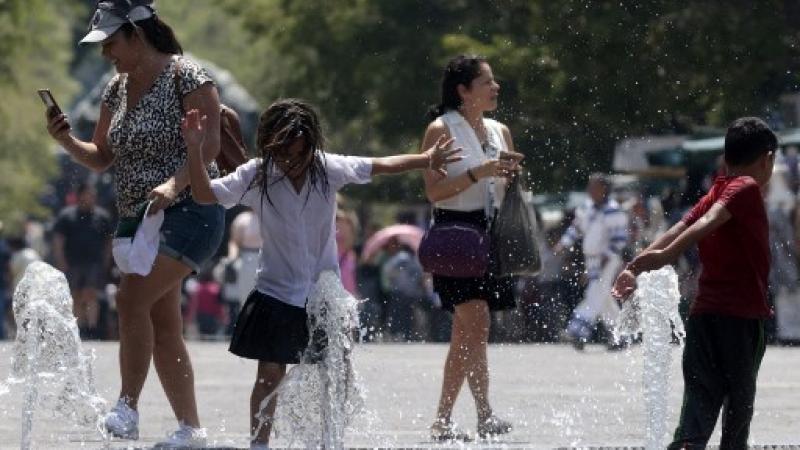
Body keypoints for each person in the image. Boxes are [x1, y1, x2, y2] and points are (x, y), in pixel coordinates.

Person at [180, 98, 461, 448]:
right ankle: (259, 444)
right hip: (275, 293)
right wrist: (194, 150)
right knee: (269, 375)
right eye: (284, 155)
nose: (292, 163)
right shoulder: (257, 174)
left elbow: (382, 165)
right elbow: (206, 194)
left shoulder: (327, 169)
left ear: (312, 147)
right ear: (271, 146)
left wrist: (425, 159)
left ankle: (330, 440)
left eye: (299, 155)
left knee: (334, 374)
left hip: (323, 297)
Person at [45, 1, 225, 446]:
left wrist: (173, 183)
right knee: (162, 323)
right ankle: (191, 429)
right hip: (138, 221)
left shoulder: (188, 76)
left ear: (135, 34)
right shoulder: (116, 89)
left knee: (129, 300)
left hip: (192, 210)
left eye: (110, 43)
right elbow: (102, 157)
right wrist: (66, 140)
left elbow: (210, 145)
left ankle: (127, 408)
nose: (106, 54)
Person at [612, 117, 777, 449]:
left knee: (696, 413)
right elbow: (707, 222)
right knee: (738, 411)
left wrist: (637, 264)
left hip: (705, 319)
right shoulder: (745, 187)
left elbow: (684, 224)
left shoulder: (718, 188)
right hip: (742, 320)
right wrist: (661, 257)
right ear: (767, 159)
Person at [421, 55, 524, 441]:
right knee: (476, 323)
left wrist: (513, 175)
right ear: (463, 91)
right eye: (487, 82)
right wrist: (477, 173)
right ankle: (482, 414)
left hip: (491, 234)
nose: (495, 87)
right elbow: (433, 191)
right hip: (454, 232)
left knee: (467, 333)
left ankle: (444, 420)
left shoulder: (501, 131)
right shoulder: (440, 130)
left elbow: (507, 186)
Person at [557, 174, 629, 350]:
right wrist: (563, 243)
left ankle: (577, 330)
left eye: (593, 187)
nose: (589, 190)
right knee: (603, 297)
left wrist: (605, 258)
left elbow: (619, 239)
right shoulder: (587, 207)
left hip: (608, 259)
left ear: (604, 189)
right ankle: (620, 335)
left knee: (594, 292)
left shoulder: (614, 210)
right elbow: (576, 228)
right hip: (591, 259)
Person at [52, 181, 113, 338]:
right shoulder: (67, 216)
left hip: (94, 263)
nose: (91, 197)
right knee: (76, 295)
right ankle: (79, 328)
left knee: (91, 294)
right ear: (80, 195)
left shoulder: (102, 216)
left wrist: (107, 260)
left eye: (93, 194)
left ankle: (92, 328)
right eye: (88, 194)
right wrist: (61, 260)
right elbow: (59, 240)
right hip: (73, 263)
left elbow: (109, 242)